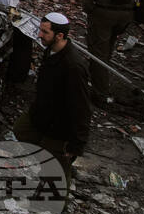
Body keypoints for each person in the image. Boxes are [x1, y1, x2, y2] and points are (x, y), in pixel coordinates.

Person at [12, 12, 90, 194]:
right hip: (41, 115)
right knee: (19, 131)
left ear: (60, 35)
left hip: (59, 128)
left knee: (56, 169)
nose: (39, 35)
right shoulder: (51, 52)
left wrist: (77, 143)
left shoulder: (73, 67)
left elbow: (82, 108)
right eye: (40, 30)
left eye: (45, 32)